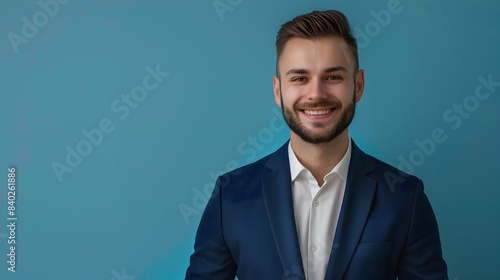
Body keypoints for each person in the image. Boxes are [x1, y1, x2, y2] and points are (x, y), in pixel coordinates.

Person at [185, 10, 448, 280]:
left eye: (333, 77)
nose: (316, 94)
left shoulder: (405, 197)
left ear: (358, 86)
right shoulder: (230, 197)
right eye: (299, 78)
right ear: (278, 91)